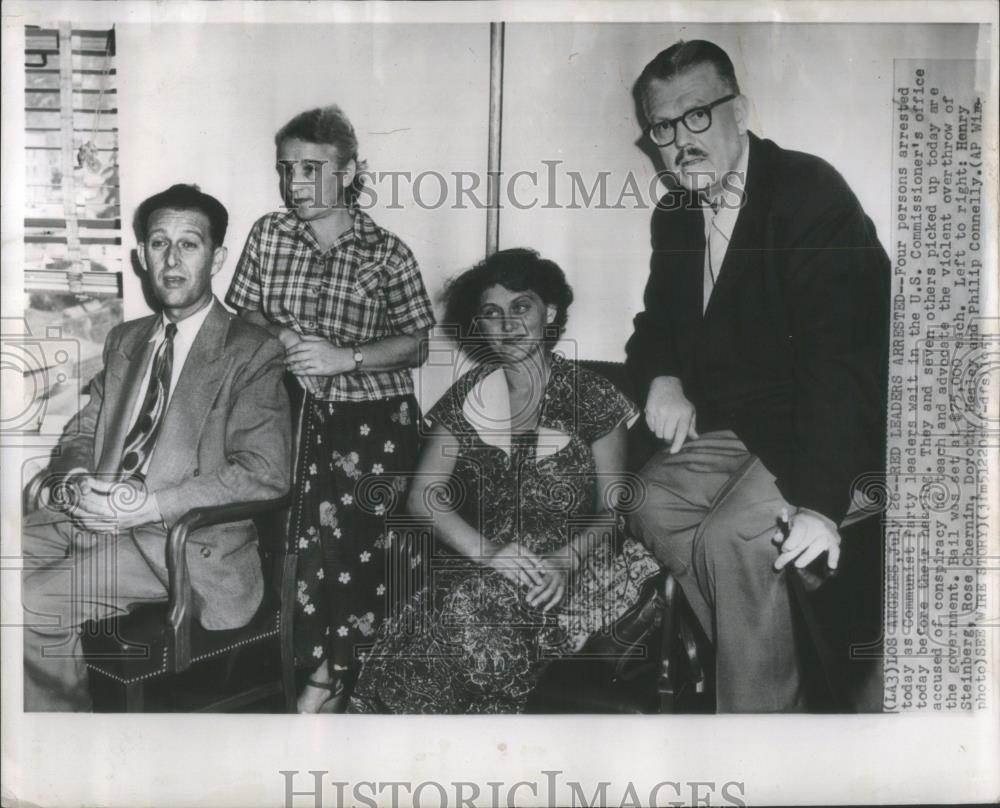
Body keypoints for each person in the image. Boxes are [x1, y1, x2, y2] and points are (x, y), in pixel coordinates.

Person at [625, 40, 890, 712]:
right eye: (661, 126)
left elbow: (845, 360)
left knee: (730, 538)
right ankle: (775, 681)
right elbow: (655, 325)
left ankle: (759, 729)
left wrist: (824, 505)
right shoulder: (676, 215)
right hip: (744, 430)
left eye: (697, 116)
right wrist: (662, 378)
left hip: (839, 427)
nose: (678, 141)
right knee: (648, 500)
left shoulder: (807, 192)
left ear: (739, 110)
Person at [348, 248, 661, 714]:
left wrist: (565, 561)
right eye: (491, 314)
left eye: (521, 307)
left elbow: (613, 511)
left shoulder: (593, 396)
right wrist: (489, 553)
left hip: (578, 566)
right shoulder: (468, 395)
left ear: (549, 312)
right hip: (490, 561)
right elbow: (424, 496)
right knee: (422, 623)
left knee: (468, 619)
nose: (507, 324)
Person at [22, 183, 291, 711]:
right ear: (141, 255)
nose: (171, 259)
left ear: (218, 257)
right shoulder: (127, 339)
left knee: (33, 602)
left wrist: (146, 505)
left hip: (180, 542)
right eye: (158, 242)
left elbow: (265, 471)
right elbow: (83, 431)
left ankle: (61, 752)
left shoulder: (251, 351)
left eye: (189, 244)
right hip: (92, 517)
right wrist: (78, 482)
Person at [225, 105, 436, 712]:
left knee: (352, 548)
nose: (295, 184)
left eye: (312, 169)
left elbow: (417, 343)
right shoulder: (269, 234)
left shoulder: (386, 252)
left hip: (372, 421)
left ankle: (334, 675)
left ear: (348, 172)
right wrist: (285, 338)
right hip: (290, 411)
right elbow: (244, 313)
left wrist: (348, 357)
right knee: (297, 545)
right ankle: (312, 667)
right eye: (286, 168)